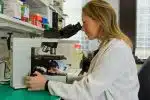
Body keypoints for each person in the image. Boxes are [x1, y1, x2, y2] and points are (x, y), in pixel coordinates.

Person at [25, 0, 139, 100]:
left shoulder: (116, 50)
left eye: (85, 22)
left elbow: (86, 92)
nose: (83, 28)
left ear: (99, 20)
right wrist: (63, 76)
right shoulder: (109, 46)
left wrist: (46, 85)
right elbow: (90, 80)